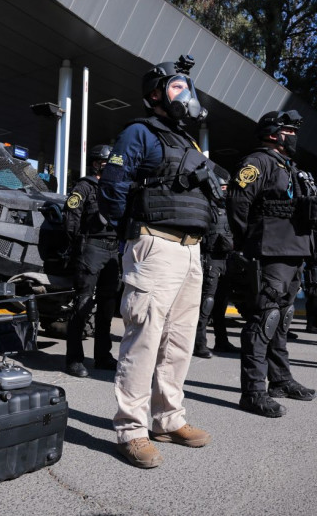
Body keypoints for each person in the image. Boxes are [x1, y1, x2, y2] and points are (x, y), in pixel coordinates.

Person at [98, 54, 219, 468]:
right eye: (177, 86)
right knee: (144, 339)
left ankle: (168, 419)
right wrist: (132, 237)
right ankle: (132, 429)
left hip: (190, 251)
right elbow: (112, 189)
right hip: (155, 246)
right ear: (155, 95)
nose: (186, 94)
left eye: (187, 85)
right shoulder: (139, 132)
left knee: (180, 342)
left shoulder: (188, 141)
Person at [227, 110, 317, 418]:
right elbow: (237, 203)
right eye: (289, 130)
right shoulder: (257, 162)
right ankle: (253, 391)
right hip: (269, 251)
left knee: (282, 320)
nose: (294, 135)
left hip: (293, 251)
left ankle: (280, 380)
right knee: (264, 320)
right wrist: (250, 241)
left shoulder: (291, 167)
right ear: (273, 133)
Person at [63, 144, 121, 377]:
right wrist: (78, 247)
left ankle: (103, 356)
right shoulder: (84, 186)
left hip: (113, 249)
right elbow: (71, 219)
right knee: (82, 304)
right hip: (91, 248)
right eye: (107, 164)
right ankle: (74, 360)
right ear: (97, 164)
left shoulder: (117, 188)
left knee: (107, 307)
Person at [193, 174, 238, 358]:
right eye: (223, 187)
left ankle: (222, 341)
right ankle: (199, 344)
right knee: (207, 303)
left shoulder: (229, 208)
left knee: (221, 303)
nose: (225, 191)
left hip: (227, 259)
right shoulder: (206, 207)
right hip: (210, 258)